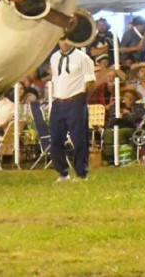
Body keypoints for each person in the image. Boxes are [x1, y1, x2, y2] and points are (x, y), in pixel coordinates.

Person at [49, 38, 96, 182]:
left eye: (68, 39)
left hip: (75, 100)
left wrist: (81, 98)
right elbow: (56, 78)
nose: (65, 43)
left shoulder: (82, 58)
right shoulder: (54, 57)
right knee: (56, 138)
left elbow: (90, 82)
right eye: (62, 39)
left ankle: (81, 173)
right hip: (58, 101)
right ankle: (62, 172)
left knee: (79, 138)